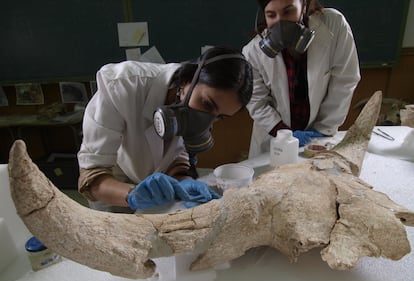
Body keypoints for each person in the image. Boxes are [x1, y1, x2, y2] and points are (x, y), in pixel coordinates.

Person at [77, 46, 253, 213]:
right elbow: (91, 179)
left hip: (155, 184)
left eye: (219, 117)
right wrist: (133, 195)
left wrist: (183, 179)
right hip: (111, 184)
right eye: (207, 104)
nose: (206, 121)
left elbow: (178, 156)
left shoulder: (196, 104)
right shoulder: (122, 85)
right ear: (187, 81)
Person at [242, 0, 360, 157]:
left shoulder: (334, 25)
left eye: (288, 12)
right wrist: (284, 134)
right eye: (271, 15)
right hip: (275, 138)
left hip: (319, 135)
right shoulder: (253, 52)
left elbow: (345, 81)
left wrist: (322, 129)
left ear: (304, 6)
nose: (280, 22)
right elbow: (257, 102)